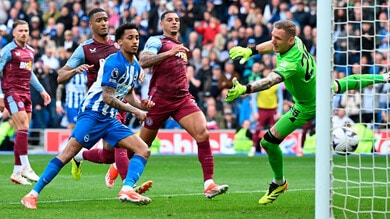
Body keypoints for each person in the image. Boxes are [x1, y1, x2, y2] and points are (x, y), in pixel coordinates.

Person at [226, 20, 390, 205]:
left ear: (289, 41)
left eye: (277, 38)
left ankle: (279, 183)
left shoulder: (291, 62)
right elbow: (271, 46)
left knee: (268, 142)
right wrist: (252, 50)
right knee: (343, 83)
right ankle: (384, 76)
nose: (273, 41)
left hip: (308, 105)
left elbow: (270, 81)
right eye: (272, 35)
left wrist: (245, 89)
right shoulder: (295, 41)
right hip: (321, 86)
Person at [21, 22, 155, 209]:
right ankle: (32, 194)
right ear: (119, 41)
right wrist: (136, 111)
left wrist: (142, 105)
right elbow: (107, 97)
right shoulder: (113, 62)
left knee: (143, 150)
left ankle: (126, 189)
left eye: (137, 38)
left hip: (109, 118)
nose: (135, 42)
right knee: (67, 154)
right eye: (130, 38)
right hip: (92, 114)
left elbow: (129, 94)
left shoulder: (136, 67)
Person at [134, 11, 228, 199]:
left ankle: (209, 184)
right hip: (159, 99)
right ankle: (115, 169)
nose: (174, 22)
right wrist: (168, 53)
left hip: (182, 98)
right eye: (169, 20)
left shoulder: (180, 45)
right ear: (162, 24)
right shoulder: (157, 41)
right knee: (142, 145)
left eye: (177, 20)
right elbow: (143, 61)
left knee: (203, 133)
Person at [56, 8, 151, 192]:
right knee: (121, 149)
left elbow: (133, 66)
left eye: (106, 19)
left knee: (110, 156)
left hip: (120, 104)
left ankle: (80, 156)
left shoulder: (119, 44)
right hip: (101, 103)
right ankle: (129, 187)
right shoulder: (84, 49)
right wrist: (73, 71)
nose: (104, 23)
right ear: (91, 25)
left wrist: (139, 71)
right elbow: (60, 75)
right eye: (99, 20)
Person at [0, 20, 51, 185]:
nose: (24, 33)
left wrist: (42, 91)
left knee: (22, 130)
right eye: (20, 30)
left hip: (26, 93)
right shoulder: (8, 51)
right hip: (11, 92)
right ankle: (26, 167)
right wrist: (0, 95)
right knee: (22, 125)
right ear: (14, 33)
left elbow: (30, 73)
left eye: (26, 30)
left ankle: (16, 172)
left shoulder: (30, 51)